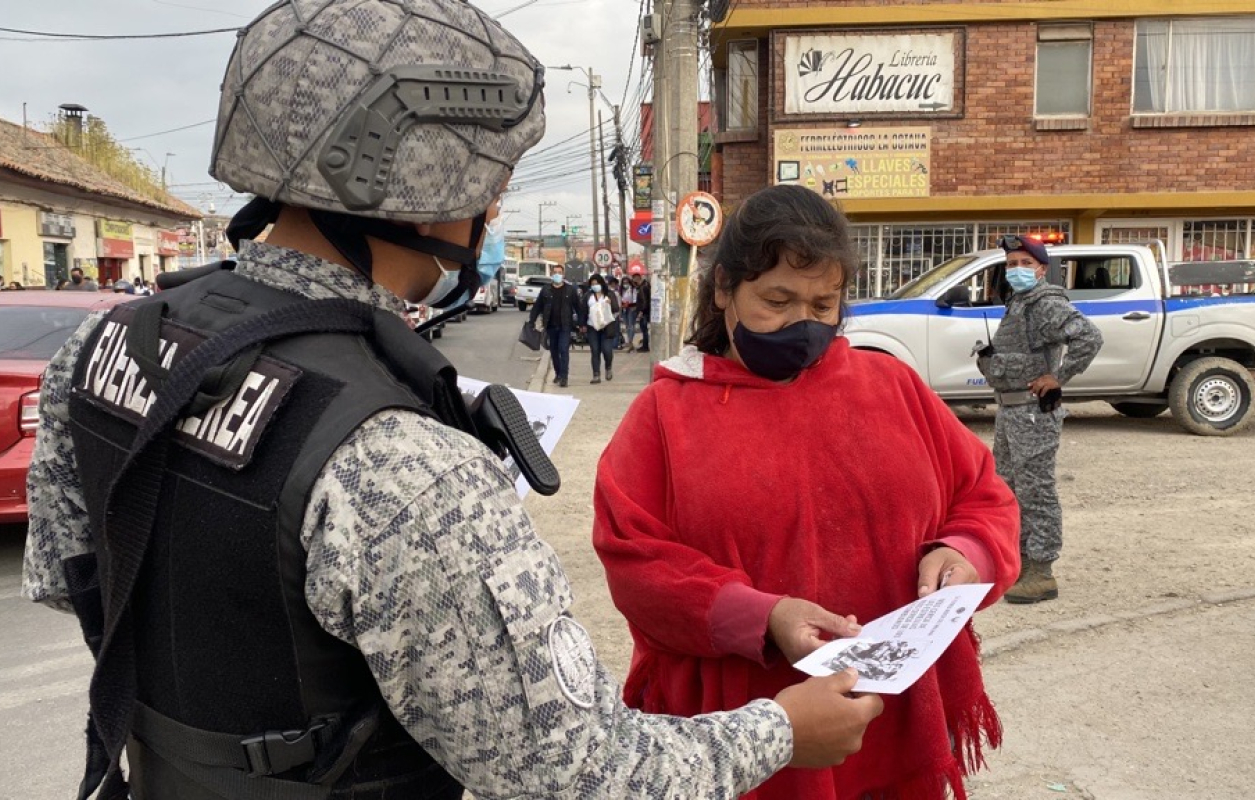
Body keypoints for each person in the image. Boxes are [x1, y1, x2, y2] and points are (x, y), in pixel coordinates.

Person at [21, 4, 882, 799]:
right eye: (489, 180)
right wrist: (778, 732)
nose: (494, 203)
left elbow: (76, 584)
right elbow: (571, 772)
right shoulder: (403, 466)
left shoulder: (108, 347)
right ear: (421, 185)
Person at [593, 184, 1020, 800]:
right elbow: (636, 562)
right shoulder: (664, 414)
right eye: (777, 300)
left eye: (823, 304)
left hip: (892, 716)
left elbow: (983, 494)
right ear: (723, 292)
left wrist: (965, 551)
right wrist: (763, 616)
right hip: (744, 729)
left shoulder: (891, 386)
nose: (802, 323)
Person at [975, 234, 1103, 604]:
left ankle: (1041, 571)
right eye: (1012, 264)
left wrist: (1058, 377)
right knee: (1008, 488)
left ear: (1042, 269)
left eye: (1025, 264)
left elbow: (1089, 338)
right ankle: (1017, 561)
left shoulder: (1045, 303)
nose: (1017, 270)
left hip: (1033, 412)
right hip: (1013, 410)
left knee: (1035, 491)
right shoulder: (1020, 302)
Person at [529, 264, 580, 387]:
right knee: (554, 351)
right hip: (551, 326)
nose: (557, 274)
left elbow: (578, 307)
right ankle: (558, 373)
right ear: (552, 274)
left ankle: (564, 377)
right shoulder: (546, 290)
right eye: (555, 272)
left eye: (559, 272)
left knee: (564, 350)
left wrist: (581, 323)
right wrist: (532, 321)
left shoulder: (570, 290)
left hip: (565, 325)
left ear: (563, 275)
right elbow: (537, 306)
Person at [579, 273, 620, 384]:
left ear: (601, 283)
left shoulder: (609, 294)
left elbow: (616, 309)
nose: (595, 286)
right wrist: (582, 325)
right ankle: (596, 375)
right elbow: (583, 311)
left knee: (607, 350)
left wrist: (610, 304)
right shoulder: (588, 296)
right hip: (592, 326)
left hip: (607, 326)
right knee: (595, 351)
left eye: (596, 283)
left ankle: (608, 367)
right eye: (592, 284)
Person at [629, 265, 651, 352]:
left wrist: (641, 312)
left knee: (644, 329)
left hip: (644, 312)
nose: (633, 281)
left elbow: (644, 301)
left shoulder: (643, 287)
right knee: (644, 329)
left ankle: (645, 346)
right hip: (644, 311)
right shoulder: (643, 286)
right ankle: (645, 345)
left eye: (634, 278)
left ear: (637, 278)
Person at [618, 269, 639, 350]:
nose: (625, 284)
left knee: (631, 325)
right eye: (624, 282)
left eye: (627, 282)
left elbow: (635, 300)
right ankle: (628, 340)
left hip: (631, 308)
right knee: (627, 326)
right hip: (624, 309)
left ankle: (630, 341)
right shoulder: (621, 290)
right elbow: (620, 300)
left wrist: (630, 304)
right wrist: (622, 307)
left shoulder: (633, 289)